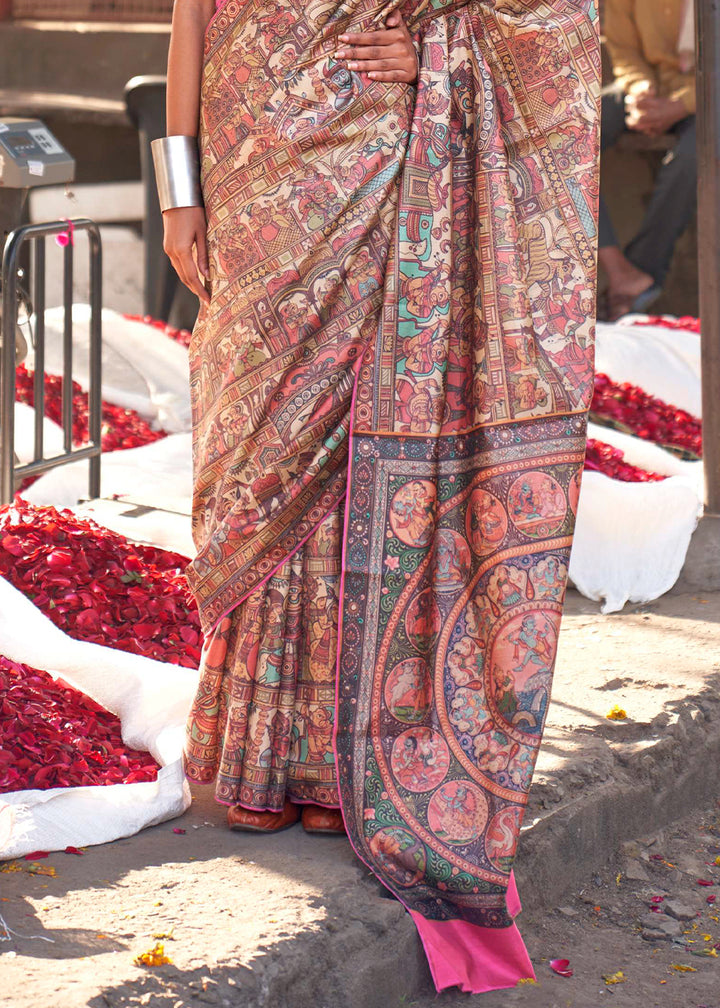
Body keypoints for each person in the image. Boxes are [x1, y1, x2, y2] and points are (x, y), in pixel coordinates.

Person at [154, 0, 598, 994]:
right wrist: (177, 192)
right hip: (249, 162)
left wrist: (440, 51)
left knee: (354, 444)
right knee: (254, 455)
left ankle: (330, 759)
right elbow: (189, 15)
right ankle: (258, 752)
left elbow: (543, 16)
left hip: (379, 154)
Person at [599, 0, 696, 320]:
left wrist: (683, 103)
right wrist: (640, 91)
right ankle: (618, 270)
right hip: (649, 88)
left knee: (696, 154)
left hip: (708, 92)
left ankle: (643, 270)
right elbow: (622, 48)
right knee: (572, 131)